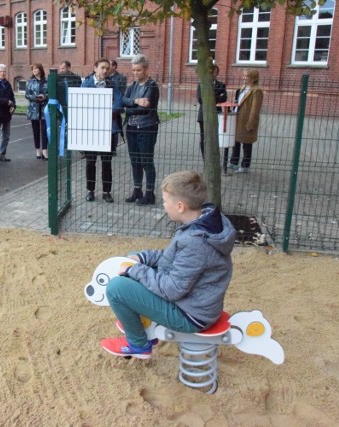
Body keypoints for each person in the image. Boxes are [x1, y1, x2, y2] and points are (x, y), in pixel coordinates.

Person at [100, 171, 236, 359]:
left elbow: (173, 289)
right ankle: (140, 324)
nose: (163, 205)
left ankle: (138, 344)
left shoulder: (195, 241)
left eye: (165, 201)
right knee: (134, 269)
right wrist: (142, 258)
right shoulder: (203, 224)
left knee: (116, 288)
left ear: (180, 206)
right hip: (196, 303)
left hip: (190, 316)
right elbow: (173, 259)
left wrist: (135, 270)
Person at [81, 59, 123, 203]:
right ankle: (90, 190)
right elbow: (81, 103)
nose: (105, 71)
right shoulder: (86, 83)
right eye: (102, 68)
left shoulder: (111, 84)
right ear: (95, 68)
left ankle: (106, 192)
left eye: (107, 68)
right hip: (91, 130)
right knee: (90, 162)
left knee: (107, 162)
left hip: (108, 129)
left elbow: (118, 101)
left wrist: (107, 110)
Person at [121, 54, 160, 205]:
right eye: (134, 70)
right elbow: (123, 100)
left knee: (146, 161)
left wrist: (129, 108)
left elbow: (146, 109)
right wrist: (136, 101)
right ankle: (137, 190)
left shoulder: (152, 86)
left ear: (145, 69)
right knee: (134, 160)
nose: (136, 73)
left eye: (138, 70)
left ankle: (150, 194)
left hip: (147, 127)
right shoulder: (133, 86)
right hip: (131, 128)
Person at [229, 68, 263, 173]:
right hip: (238, 119)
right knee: (236, 142)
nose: (244, 78)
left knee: (247, 144)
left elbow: (255, 109)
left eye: (246, 76)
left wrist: (251, 123)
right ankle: (233, 162)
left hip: (246, 120)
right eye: (244, 76)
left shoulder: (256, 91)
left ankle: (245, 166)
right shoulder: (243, 88)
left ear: (253, 79)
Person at [196, 64, 227, 161]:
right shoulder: (202, 84)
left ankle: (213, 159)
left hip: (216, 115)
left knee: (214, 137)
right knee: (204, 138)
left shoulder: (221, 85)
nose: (215, 74)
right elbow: (201, 99)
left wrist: (210, 98)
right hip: (203, 116)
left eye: (216, 72)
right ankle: (205, 159)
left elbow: (224, 98)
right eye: (213, 72)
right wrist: (217, 97)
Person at [25, 63, 49, 160]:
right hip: (33, 108)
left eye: (35, 69)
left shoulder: (46, 81)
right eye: (33, 69)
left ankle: (44, 150)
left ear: (40, 70)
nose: (34, 71)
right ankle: (38, 150)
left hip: (43, 108)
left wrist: (44, 97)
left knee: (44, 130)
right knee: (36, 130)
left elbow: (49, 92)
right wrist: (35, 98)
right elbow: (27, 95)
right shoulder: (30, 81)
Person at [110, 60, 127, 144]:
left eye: (109, 66)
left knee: (115, 124)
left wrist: (116, 102)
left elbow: (122, 91)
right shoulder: (105, 77)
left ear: (114, 67)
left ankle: (114, 146)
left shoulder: (121, 78)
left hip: (115, 104)